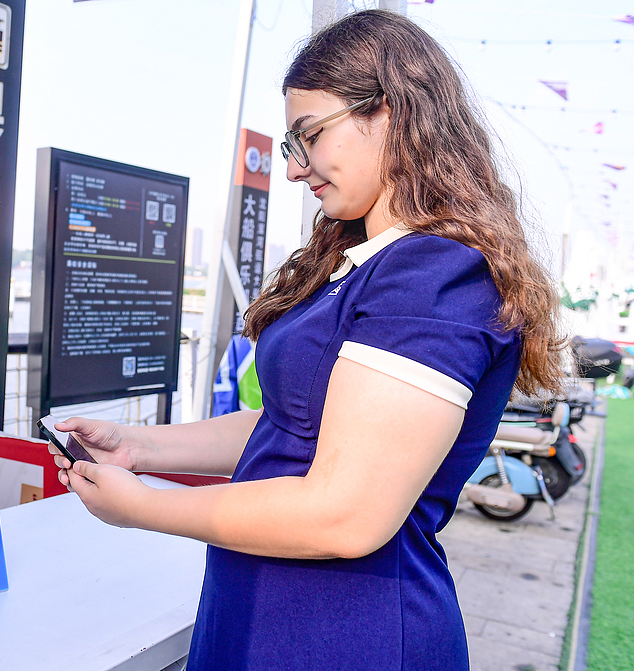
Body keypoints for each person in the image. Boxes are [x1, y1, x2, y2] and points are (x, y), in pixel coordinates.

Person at [48, 10, 564, 670]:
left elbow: (346, 514)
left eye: (311, 135)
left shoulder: (435, 274)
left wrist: (146, 507)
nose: (296, 169)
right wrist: (140, 446)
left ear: (393, 113)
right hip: (267, 615)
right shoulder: (370, 263)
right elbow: (294, 424)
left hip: (346, 633)